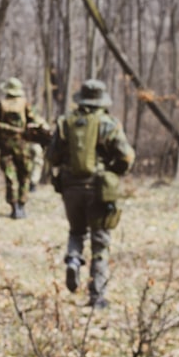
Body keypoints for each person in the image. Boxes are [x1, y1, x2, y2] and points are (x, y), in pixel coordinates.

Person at [48, 79, 134, 309]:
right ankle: (97, 296)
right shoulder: (109, 123)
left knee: (76, 231)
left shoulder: (66, 123)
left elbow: (52, 156)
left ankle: (74, 260)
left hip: (70, 189)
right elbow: (126, 157)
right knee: (100, 240)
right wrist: (113, 173)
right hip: (98, 189)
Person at [0, 77, 45, 218]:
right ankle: (22, 205)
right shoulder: (25, 104)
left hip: (6, 146)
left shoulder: (0, 105)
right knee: (24, 176)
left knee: (10, 177)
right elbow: (35, 121)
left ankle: (14, 207)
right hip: (23, 146)